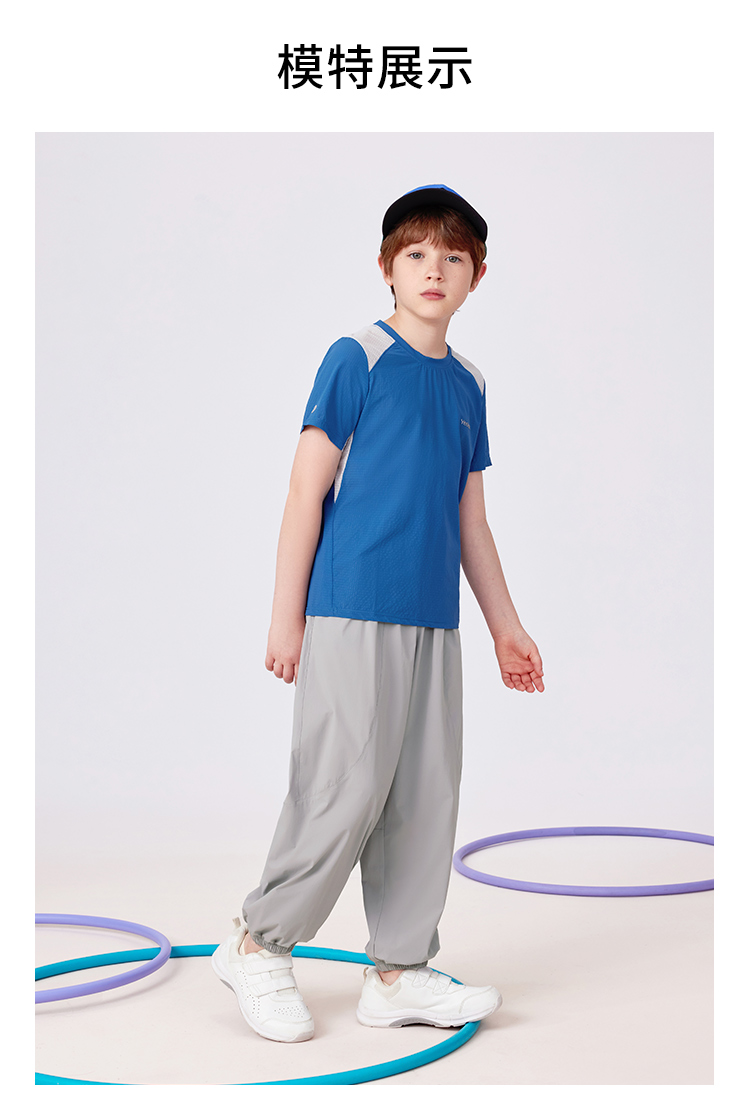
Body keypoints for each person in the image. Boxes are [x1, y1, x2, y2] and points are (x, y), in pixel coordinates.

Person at [212, 184, 545, 1043]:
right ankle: (258, 944)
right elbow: (304, 492)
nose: (435, 270)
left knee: (423, 794)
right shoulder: (355, 357)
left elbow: (471, 521)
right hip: (352, 609)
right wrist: (286, 619)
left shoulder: (469, 384)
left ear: (476, 275)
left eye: (454, 257)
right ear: (388, 267)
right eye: (417, 254)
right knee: (343, 787)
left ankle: (398, 972)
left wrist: (507, 627)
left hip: (434, 621)